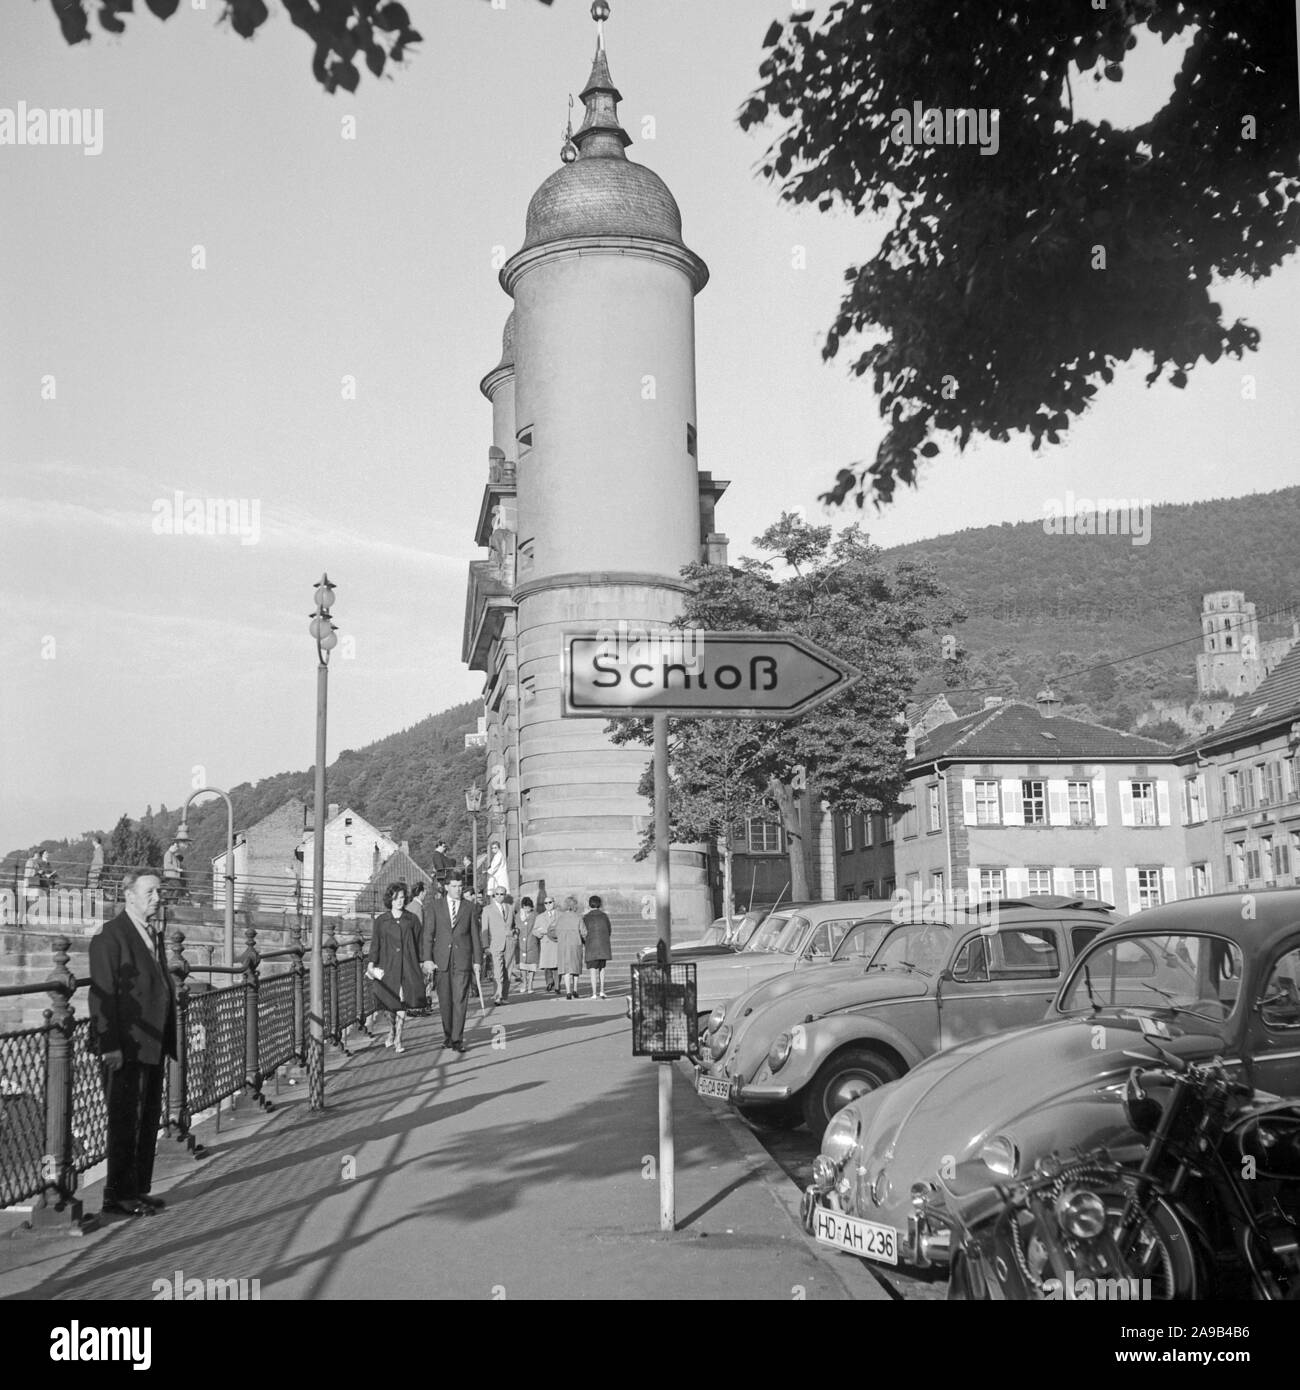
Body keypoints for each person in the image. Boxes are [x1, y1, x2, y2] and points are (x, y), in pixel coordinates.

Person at [87, 869, 176, 1218]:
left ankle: (138, 1187)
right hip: (125, 1045)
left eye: (159, 892)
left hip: (151, 1041)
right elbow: (102, 996)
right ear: (130, 896)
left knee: (148, 1115)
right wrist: (109, 1045)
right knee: (125, 1119)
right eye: (150, 892)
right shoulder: (111, 937)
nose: (157, 897)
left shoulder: (152, 934)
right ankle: (118, 1194)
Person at [423, 869, 482, 1053]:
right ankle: (448, 1035)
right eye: (454, 886)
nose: (458, 889)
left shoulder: (470, 908)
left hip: (462, 961)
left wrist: (478, 961)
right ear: (446, 887)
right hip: (441, 961)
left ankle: (457, 1039)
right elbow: (427, 935)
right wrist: (427, 959)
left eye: (460, 886)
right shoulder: (434, 907)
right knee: (445, 1001)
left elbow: (475, 936)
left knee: (460, 1000)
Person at [368, 882, 426, 1054]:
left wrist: (422, 962)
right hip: (388, 967)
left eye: (402, 898)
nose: (400, 902)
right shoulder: (381, 921)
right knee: (388, 1004)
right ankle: (392, 1030)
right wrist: (371, 963)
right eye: (396, 899)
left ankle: (399, 1038)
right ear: (390, 900)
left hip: (407, 966)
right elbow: (375, 944)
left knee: (402, 1003)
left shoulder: (412, 920)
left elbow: (419, 943)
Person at [482, 885, 516, 1004]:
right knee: (498, 970)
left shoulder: (510, 908)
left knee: (508, 970)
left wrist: (514, 933)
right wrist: (485, 946)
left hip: (509, 942)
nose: (500, 896)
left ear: (505, 895)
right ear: (494, 895)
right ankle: (497, 995)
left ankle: (504, 996)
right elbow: (484, 928)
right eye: (497, 894)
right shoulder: (487, 909)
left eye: (502, 894)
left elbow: (514, 925)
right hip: (495, 943)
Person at [582, 895, 613, 1000]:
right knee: (602, 969)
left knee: (592, 970)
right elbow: (609, 930)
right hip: (603, 946)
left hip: (591, 946)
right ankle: (602, 991)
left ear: (589, 904)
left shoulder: (586, 917)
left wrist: (584, 942)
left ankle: (594, 993)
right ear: (599, 904)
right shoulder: (604, 916)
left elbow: (583, 932)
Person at [555, 894, 585, 1001]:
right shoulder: (578, 917)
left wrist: (557, 939)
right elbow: (584, 932)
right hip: (575, 944)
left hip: (563, 945)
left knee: (566, 969)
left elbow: (554, 931)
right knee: (575, 968)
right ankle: (575, 989)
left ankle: (568, 992)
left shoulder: (560, 918)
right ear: (574, 906)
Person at [535, 895, 560, 992]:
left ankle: (557, 986)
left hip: (556, 942)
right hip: (545, 942)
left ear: (554, 902)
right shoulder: (540, 917)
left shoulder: (560, 915)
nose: (548, 904)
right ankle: (549, 982)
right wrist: (539, 934)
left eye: (550, 902)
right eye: (546, 903)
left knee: (556, 966)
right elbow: (534, 930)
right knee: (547, 966)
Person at [517, 896, 538, 992]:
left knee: (532, 965)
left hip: (532, 943)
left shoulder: (535, 915)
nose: (527, 909)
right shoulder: (518, 916)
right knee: (523, 966)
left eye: (528, 907)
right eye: (525, 907)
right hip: (521, 943)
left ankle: (530, 985)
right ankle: (524, 983)